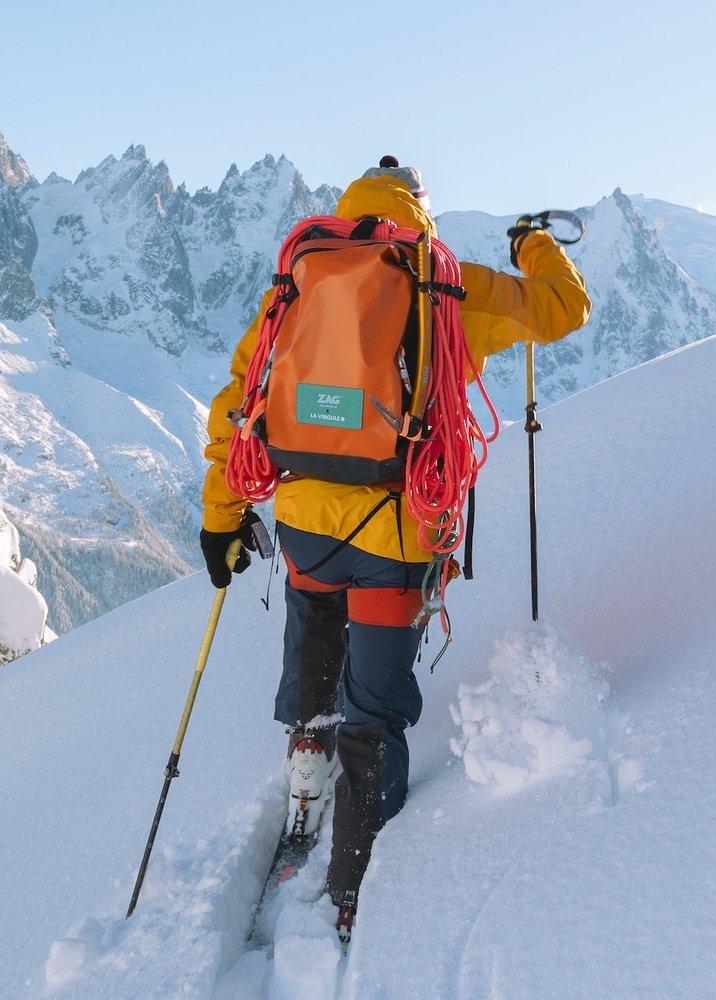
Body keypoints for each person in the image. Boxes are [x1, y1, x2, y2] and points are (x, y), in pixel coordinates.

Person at [199, 156, 590, 927]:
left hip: (306, 525)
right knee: (372, 710)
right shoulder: (448, 283)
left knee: (315, 641)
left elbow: (237, 407)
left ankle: (306, 779)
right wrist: (531, 245)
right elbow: (561, 310)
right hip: (397, 532)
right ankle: (353, 881)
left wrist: (220, 518)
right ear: (422, 211)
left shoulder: (300, 281)